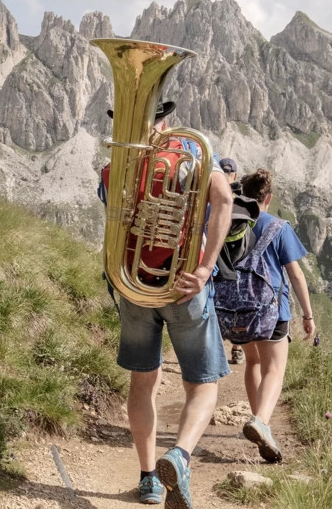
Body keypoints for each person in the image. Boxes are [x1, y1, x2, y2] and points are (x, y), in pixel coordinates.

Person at [99, 101, 234, 507]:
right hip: (184, 286)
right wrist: (206, 268)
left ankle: (147, 479)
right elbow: (225, 198)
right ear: (166, 120)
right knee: (204, 385)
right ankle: (179, 455)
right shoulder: (189, 157)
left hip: (136, 285)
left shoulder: (112, 169)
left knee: (143, 382)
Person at [228, 168, 315, 464]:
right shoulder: (278, 226)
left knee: (252, 362)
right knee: (274, 369)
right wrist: (308, 314)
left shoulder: (234, 222)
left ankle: (259, 421)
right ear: (269, 197)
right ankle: (261, 421)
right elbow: (296, 274)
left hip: (237, 308)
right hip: (271, 310)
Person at [218, 158, 247, 366]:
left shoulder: (212, 196)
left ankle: (216, 349)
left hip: (217, 263)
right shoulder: (243, 202)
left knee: (216, 305)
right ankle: (237, 349)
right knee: (238, 307)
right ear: (235, 175)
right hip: (238, 264)